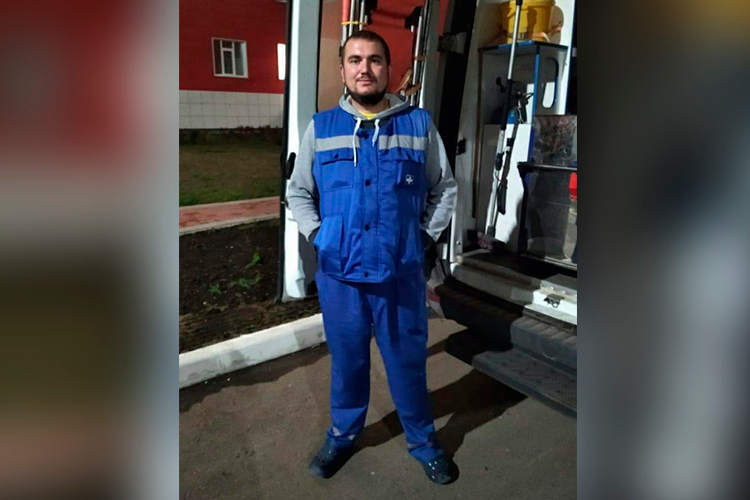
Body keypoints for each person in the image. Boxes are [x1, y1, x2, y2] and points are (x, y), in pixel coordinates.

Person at [287, 30, 458, 484]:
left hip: (399, 274)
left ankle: (423, 442)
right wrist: (319, 234)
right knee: (348, 364)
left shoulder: (418, 125)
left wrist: (423, 237)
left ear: (388, 68)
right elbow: (298, 192)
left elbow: (444, 188)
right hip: (340, 276)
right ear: (343, 70)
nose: (365, 68)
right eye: (355, 60)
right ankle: (343, 435)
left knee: (407, 364)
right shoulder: (322, 127)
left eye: (375, 60)